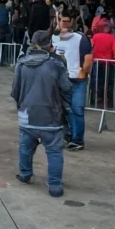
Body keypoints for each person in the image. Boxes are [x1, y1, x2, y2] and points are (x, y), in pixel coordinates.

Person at [12, 30, 72, 198]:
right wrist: (66, 108)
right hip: (51, 116)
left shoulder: (21, 64)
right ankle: (55, 186)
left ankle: (25, 174)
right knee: (54, 151)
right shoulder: (56, 65)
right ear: (50, 45)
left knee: (25, 147)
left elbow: (15, 91)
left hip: (26, 114)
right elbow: (66, 89)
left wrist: (22, 106)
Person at [52, 12, 92, 150]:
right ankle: (67, 135)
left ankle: (77, 139)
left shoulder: (81, 38)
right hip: (60, 79)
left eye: (66, 20)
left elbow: (88, 58)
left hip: (77, 79)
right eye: (61, 20)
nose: (63, 23)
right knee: (61, 110)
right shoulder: (54, 37)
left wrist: (84, 72)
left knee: (77, 110)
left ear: (72, 22)